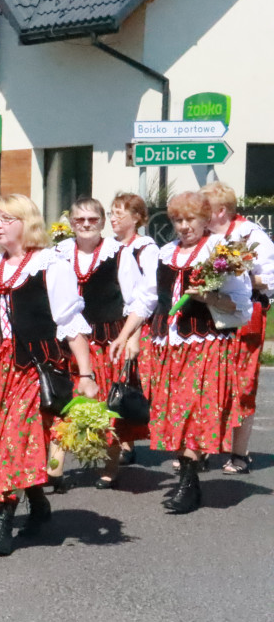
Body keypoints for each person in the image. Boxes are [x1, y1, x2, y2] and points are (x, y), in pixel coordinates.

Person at [0, 194, 98, 556]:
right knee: (3, 442)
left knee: (14, 439)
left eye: (6, 218)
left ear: (25, 224)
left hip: (35, 369)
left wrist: (87, 374)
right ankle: (38, 501)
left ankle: (4, 517)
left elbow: (71, 324)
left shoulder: (50, 264)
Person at [111, 191, 251, 513]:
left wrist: (208, 297)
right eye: (177, 220)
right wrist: (125, 334)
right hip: (164, 346)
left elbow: (240, 305)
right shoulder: (164, 253)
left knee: (192, 410)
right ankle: (189, 479)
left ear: (205, 219)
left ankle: (188, 483)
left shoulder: (221, 251)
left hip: (204, 344)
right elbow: (147, 299)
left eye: (190, 219)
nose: (184, 226)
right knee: (172, 413)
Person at [53, 197, 152, 489]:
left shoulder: (118, 254)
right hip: (66, 342)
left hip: (106, 340)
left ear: (102, 223)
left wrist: (129, 337)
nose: (85, 225)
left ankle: (110, 467)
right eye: (79, 220)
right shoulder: (58, 254)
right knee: (63, 403)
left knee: (109, 405)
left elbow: (138, 301)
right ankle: (54, 469)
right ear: (70, 222)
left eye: (92, 219)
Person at [200, 182, 274, 475]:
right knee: (207, 382)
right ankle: (203, 448)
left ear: (220, 211)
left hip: (244, 317)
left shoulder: (251, 234)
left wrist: (234, 276)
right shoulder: (203, 236)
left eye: (204, 209)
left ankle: (240, 453)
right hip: (207, 315)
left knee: (242, 384)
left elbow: (269, 278)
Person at [108, 193, 159, 466]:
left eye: (120, 212)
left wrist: (132, 335)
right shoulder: (110, 247)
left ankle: (128, 442)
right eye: (111, 212)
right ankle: (121, 441)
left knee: (130, 382)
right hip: (112, 323)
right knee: (117, 381)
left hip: (136, 324)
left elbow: (146, 296)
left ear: (137, 217)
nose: (113, 218)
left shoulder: (145, 248)